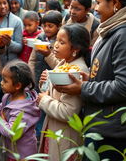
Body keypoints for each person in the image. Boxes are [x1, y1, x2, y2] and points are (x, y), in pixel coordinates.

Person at [54, 0, 126, 161]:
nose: (95, 8)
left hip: (112, 132)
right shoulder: (111, 28)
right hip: (102, 126)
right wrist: (89, 79)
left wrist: (84, 88)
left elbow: (124, 86)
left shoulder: (124, 34)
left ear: (115, 3)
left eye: (98, 2)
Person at [37, 24, 90, 161]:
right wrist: (46, 82)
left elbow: (67, 112)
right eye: (56, 41)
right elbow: (55, 93)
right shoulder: (64, 63)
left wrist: (43, 100)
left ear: (75, 49)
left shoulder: (76, 72)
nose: (55, 46)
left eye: (62, 42)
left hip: (64, 134)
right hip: (55, 129)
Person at [0, 60, 40, 160]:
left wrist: (0, 121)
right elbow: (0, 110)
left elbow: (12, 132)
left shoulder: (23, 110)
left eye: (5, 81)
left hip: (22, 155)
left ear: (18, 85)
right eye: (2, 79)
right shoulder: (7, 96)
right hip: (11, 150)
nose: (1, 83)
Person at [29, 11, 62, 91]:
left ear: (59, 26)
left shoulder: (61, 42)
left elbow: (60, 66)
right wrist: (31, 77)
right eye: (44, 26)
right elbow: (32, 60)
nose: (46, 29)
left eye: (50, 26)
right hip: (37, 77)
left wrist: (48, 54)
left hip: (53, 82)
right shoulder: (40, 38)